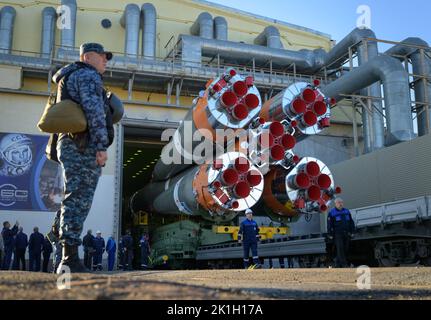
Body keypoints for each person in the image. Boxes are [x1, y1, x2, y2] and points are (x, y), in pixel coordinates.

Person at [49, 42, 115, 274]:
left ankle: (62, 239)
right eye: (102, 56)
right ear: (87, 57)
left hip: (71, 143)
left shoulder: (69, 77)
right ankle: (69, 258)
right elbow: (94, 111)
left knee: (74, 195)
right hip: (82, 145)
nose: (106, 60)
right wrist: (100, 146)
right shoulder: (87, 75)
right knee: (79, 198)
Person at [327, 197, 355, 268]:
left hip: (347, 233)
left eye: (341, 202)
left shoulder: (347, 211)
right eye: (338, 202)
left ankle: (337, 263)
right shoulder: (332, 212)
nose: (340, 204)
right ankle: (344, 264)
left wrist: (352, 231)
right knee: (340, 248)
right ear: (335, 204)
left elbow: (351, 222)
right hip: (337, 234)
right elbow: (329, 225)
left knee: (346, 248)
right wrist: (330, 234)